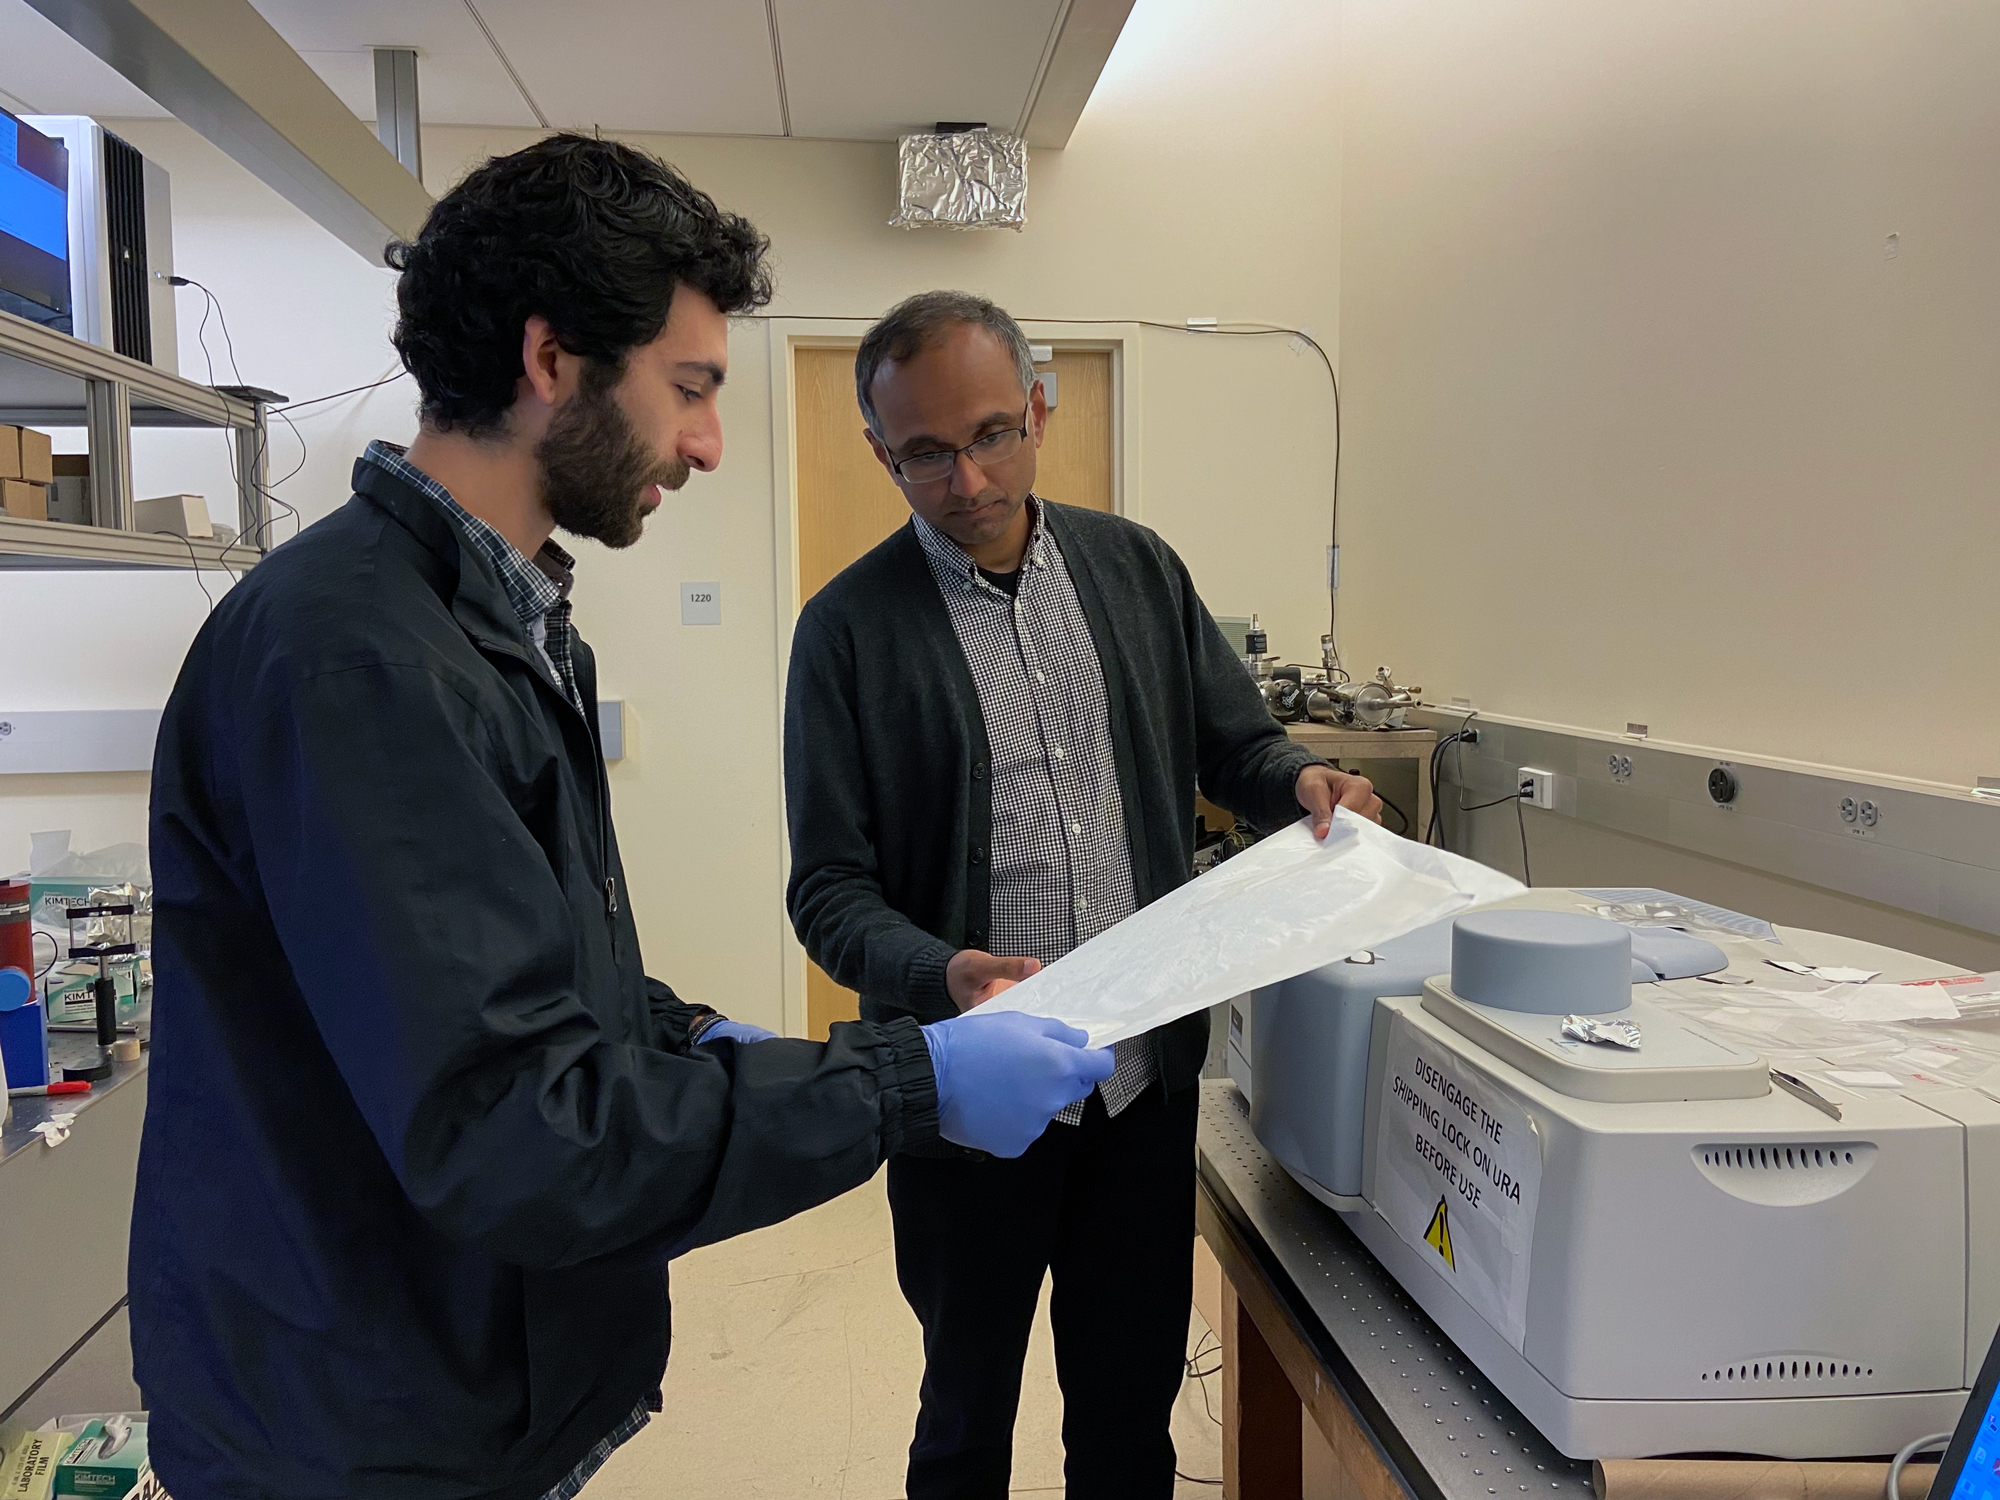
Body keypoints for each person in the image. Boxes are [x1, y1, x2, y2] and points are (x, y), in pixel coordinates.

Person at [135, 140, 1114, 1500]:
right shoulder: (361, 662)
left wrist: (684, 1033)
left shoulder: (490, 623)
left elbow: (501, 984)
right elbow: (519, 1131)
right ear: (554, 362)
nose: (709, 440)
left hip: (453, 1382)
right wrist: (915, 1083)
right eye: (691, 388)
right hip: (361, 1427)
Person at [784, 290, 1383, 1499]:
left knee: (1127, 1416)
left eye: (993, 434)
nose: (965, 478)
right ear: (878, 450)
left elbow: (1237, 749)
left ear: (1038, 412)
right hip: (970, 1096)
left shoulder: (1135, 572)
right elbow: (828, 891)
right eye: (925, 454)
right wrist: (942, 972)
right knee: (963, 1418)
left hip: (1138, 1093)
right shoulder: (846, 632)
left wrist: (1301, 781)